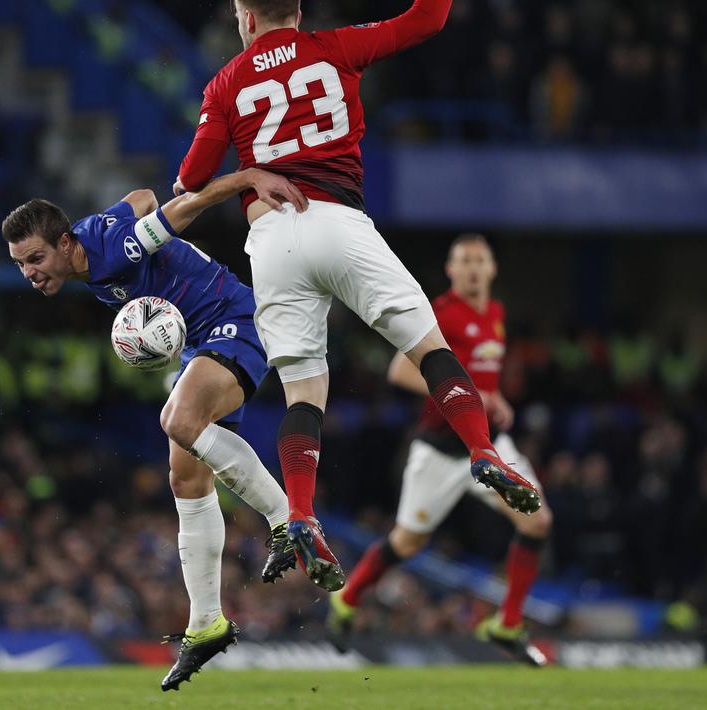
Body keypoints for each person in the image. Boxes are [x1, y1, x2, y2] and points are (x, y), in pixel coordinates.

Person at [175, 0, 540, 592]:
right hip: (339, 222)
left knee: (303, 394)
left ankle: (299, 511)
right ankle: (482, 451)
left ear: (244, 18)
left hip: (270, 237)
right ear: (296, 9)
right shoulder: (336, 47)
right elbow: (427, 18)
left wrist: (232, 176)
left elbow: (191, 178)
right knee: (429, 348)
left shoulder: (226, 81)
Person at [2, 168, 307, 691]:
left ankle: (290, 519)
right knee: (186, 479)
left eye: (35, 258)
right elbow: (142, 196)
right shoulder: (92, 244)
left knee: (178, 420)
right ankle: (206, 622)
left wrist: (247, 179)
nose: (29, 272)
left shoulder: (115, 249)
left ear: (65, 242)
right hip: (199, 344)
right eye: (20, 264)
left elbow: (185, 207)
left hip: (235, 322)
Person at [326, 234, 552, 666]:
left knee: (538, 521)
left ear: (492, 269)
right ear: (450, 270)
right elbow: (400, 371)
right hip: (438, 451)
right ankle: (346, 600)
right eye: (463, 261)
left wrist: (492, 396)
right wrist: (475, 394)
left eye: (479, 260)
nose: (471, 268)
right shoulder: (443, 313)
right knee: (407, 543)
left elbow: (482, 377)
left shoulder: (496, 314)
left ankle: (507, 624)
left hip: (488, 446)